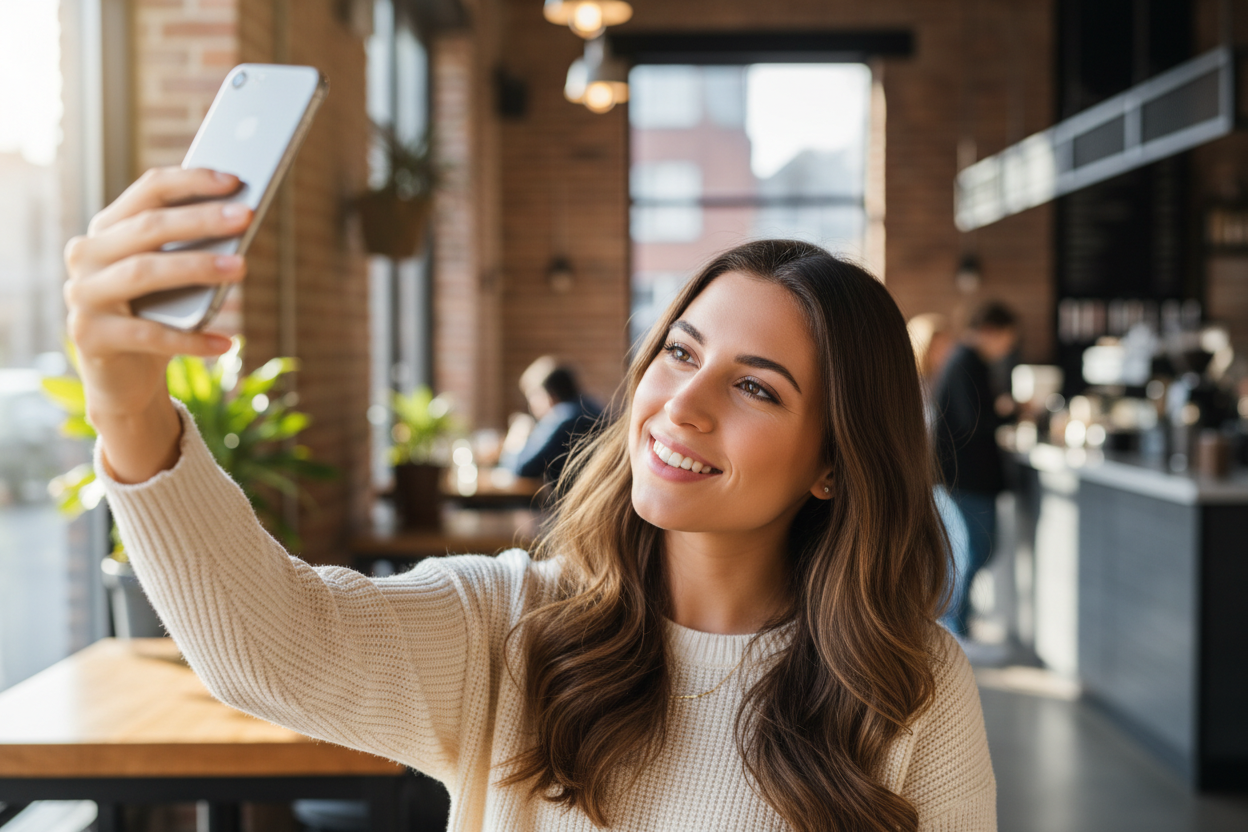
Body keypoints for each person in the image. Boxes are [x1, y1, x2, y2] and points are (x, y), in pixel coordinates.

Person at [65, 167, 995, 832]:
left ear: (834, 462)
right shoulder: (513, 625)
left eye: (756, 388)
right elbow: (270, 646)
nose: (685, 403)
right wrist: (130, 406)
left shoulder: (910, 687)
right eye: (680, 351)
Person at [932, 302, 1019, 639]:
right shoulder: (969, 362)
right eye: (1007, 338)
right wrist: (1010, 411)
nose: (1008, 347)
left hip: (960, 473)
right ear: (992, 332)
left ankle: (955, 624)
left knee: (971, 550)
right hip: (967, 474)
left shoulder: (963, 360)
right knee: (976, 550)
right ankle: (956, 628)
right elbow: (976, 420)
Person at [500, 356, 601, 485]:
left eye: (532, 396)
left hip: (573, 502)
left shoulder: (561, 418)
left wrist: (515, 440)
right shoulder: (591, 408)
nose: (531, 405)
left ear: (548, 395)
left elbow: (522, 469)